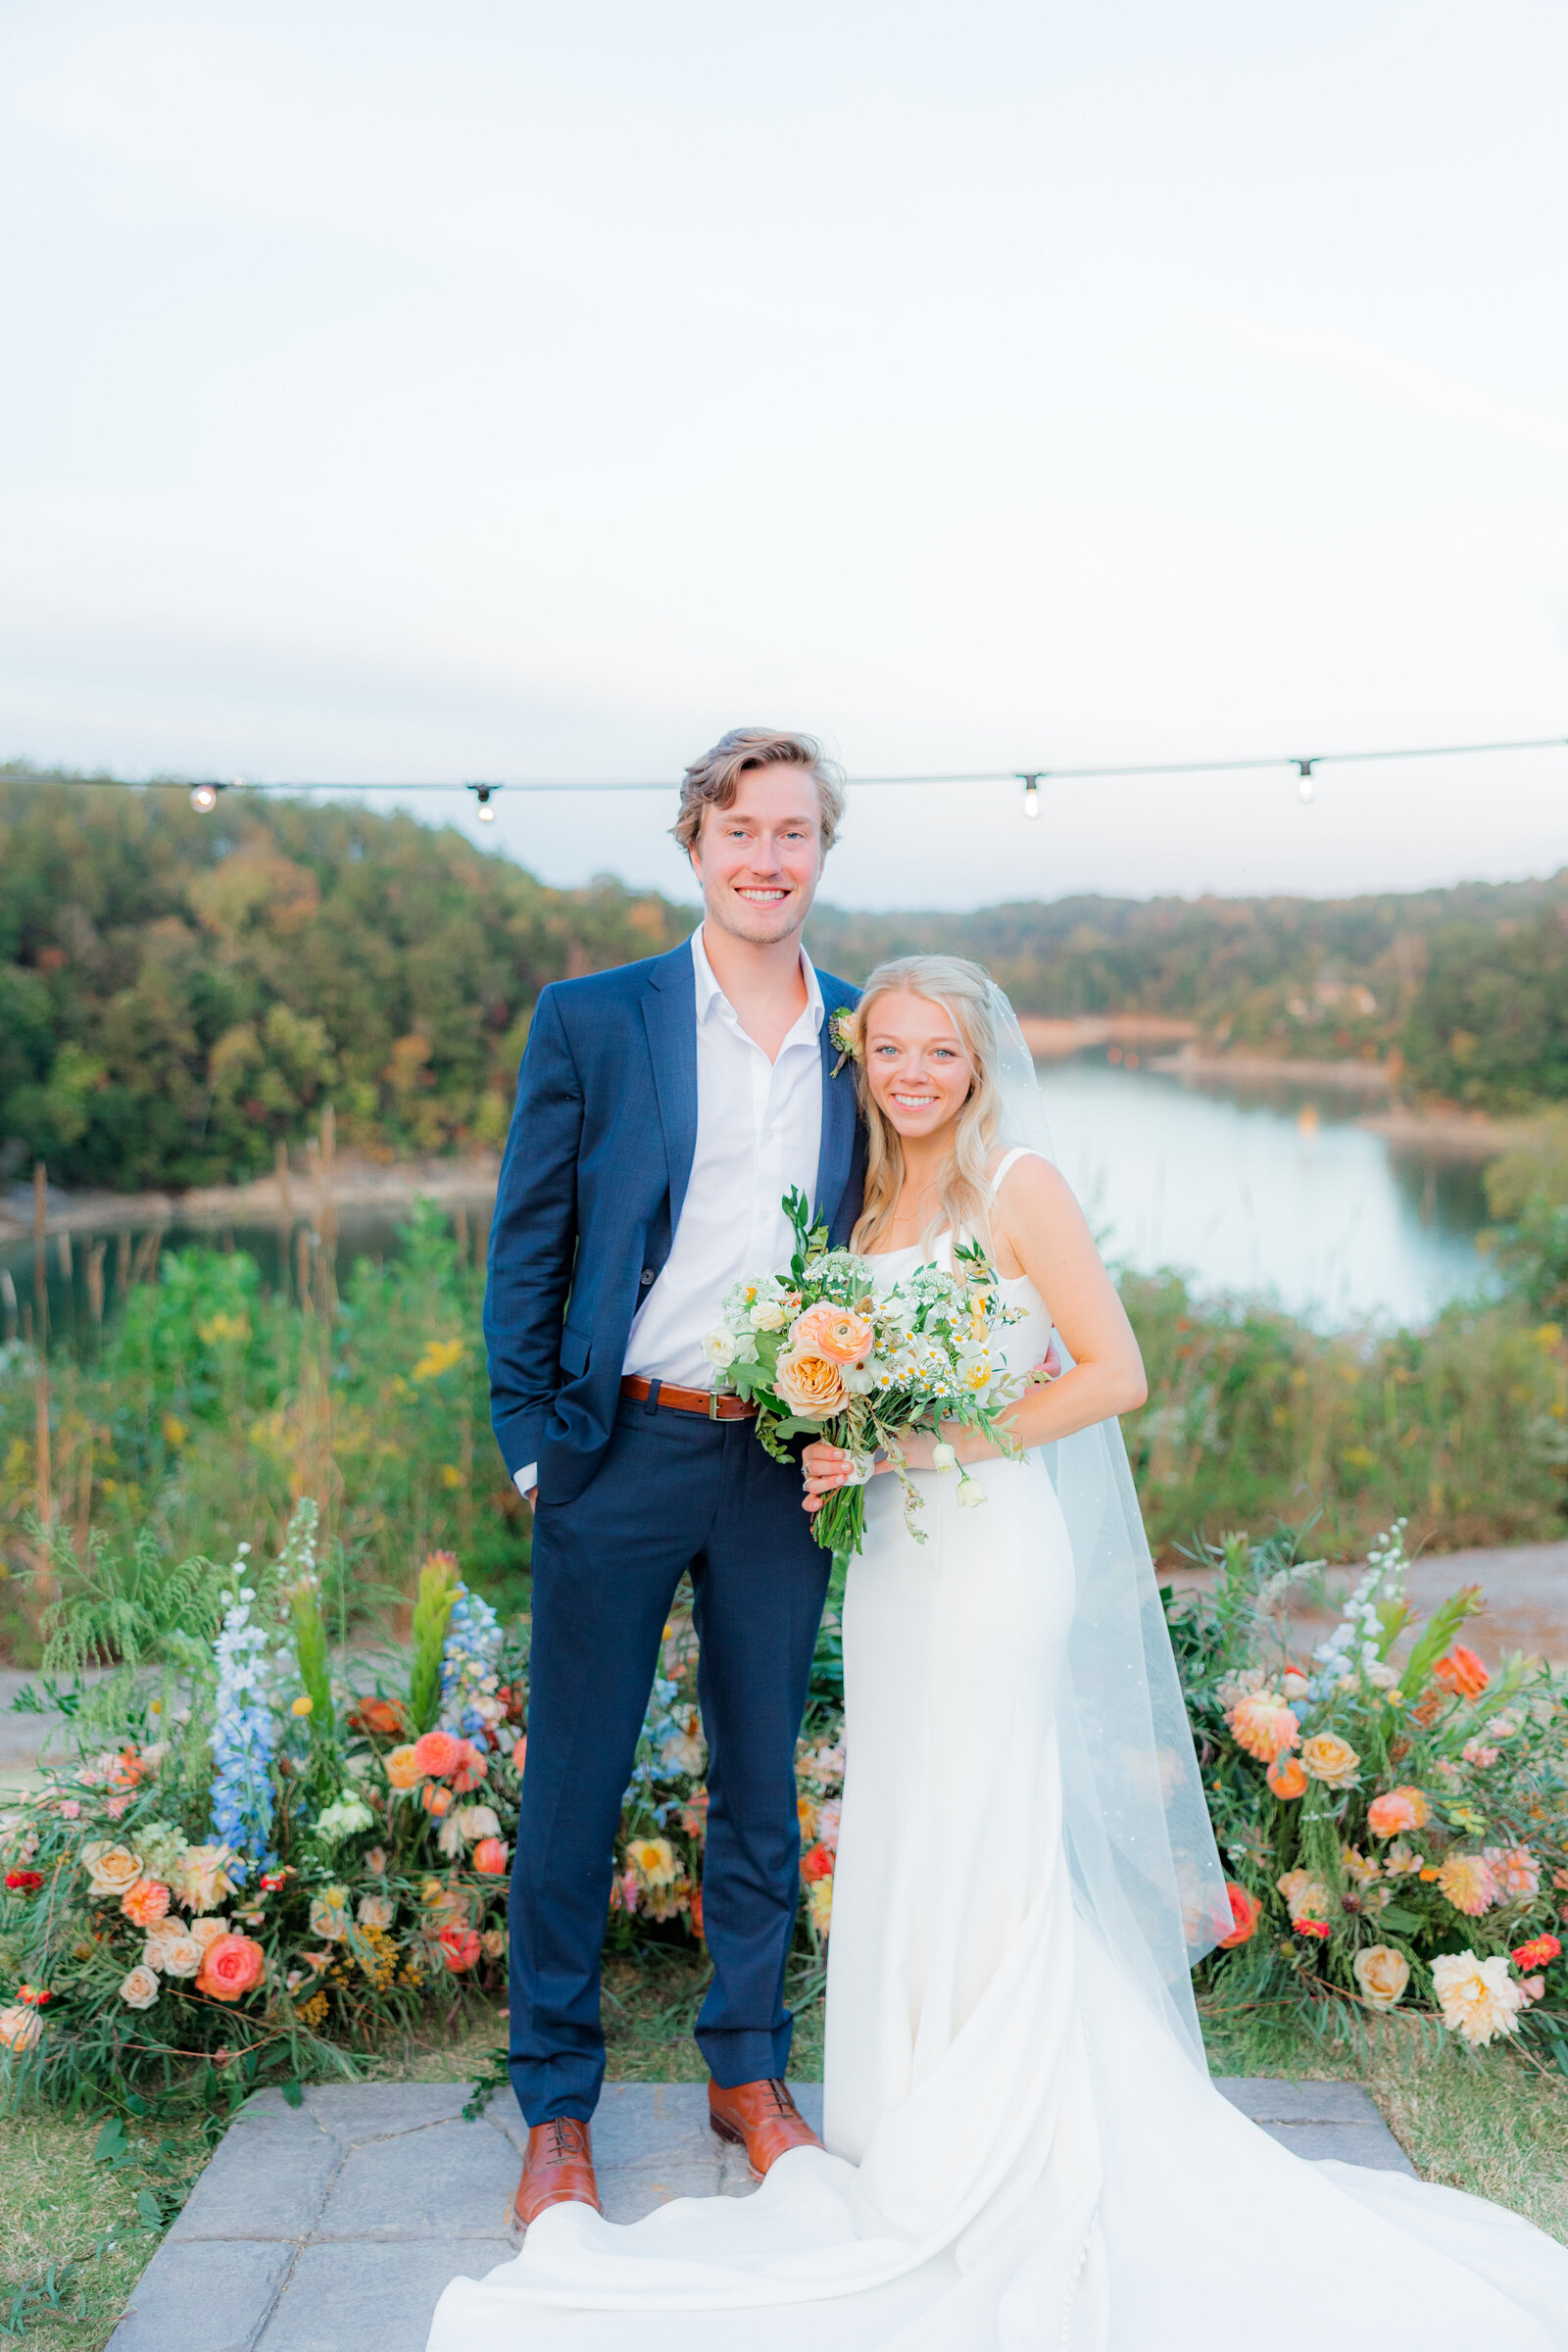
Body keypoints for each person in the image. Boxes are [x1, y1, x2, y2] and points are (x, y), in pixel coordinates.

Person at [433, 952, 1568, 2351]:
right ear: (867, 1062)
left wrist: (922, 1441)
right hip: (886, 1556)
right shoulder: (864, 1191)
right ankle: (889, 2111)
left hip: (983, 1552)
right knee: (907, 1811)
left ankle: (998, 2124)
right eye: (891, 1051)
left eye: (939, 1054)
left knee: (981, 1816)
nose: (910, 1073)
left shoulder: (1019, 1182)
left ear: (979, 1063)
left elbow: (1115, 1372)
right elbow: (584, 1246)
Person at [481, 727, 865, 2227]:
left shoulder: (859, 1030)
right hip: (617, 1445)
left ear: (822, 854)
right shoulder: (596, 1018)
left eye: (795, 834)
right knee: (573, 1783)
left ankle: (749, 2072)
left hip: (780, 1461)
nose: (769, 858)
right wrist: (534, 1448)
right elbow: (529, 1241)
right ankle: (558, 2107)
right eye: (742, 830)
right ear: (695, 843)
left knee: (758, 1782)